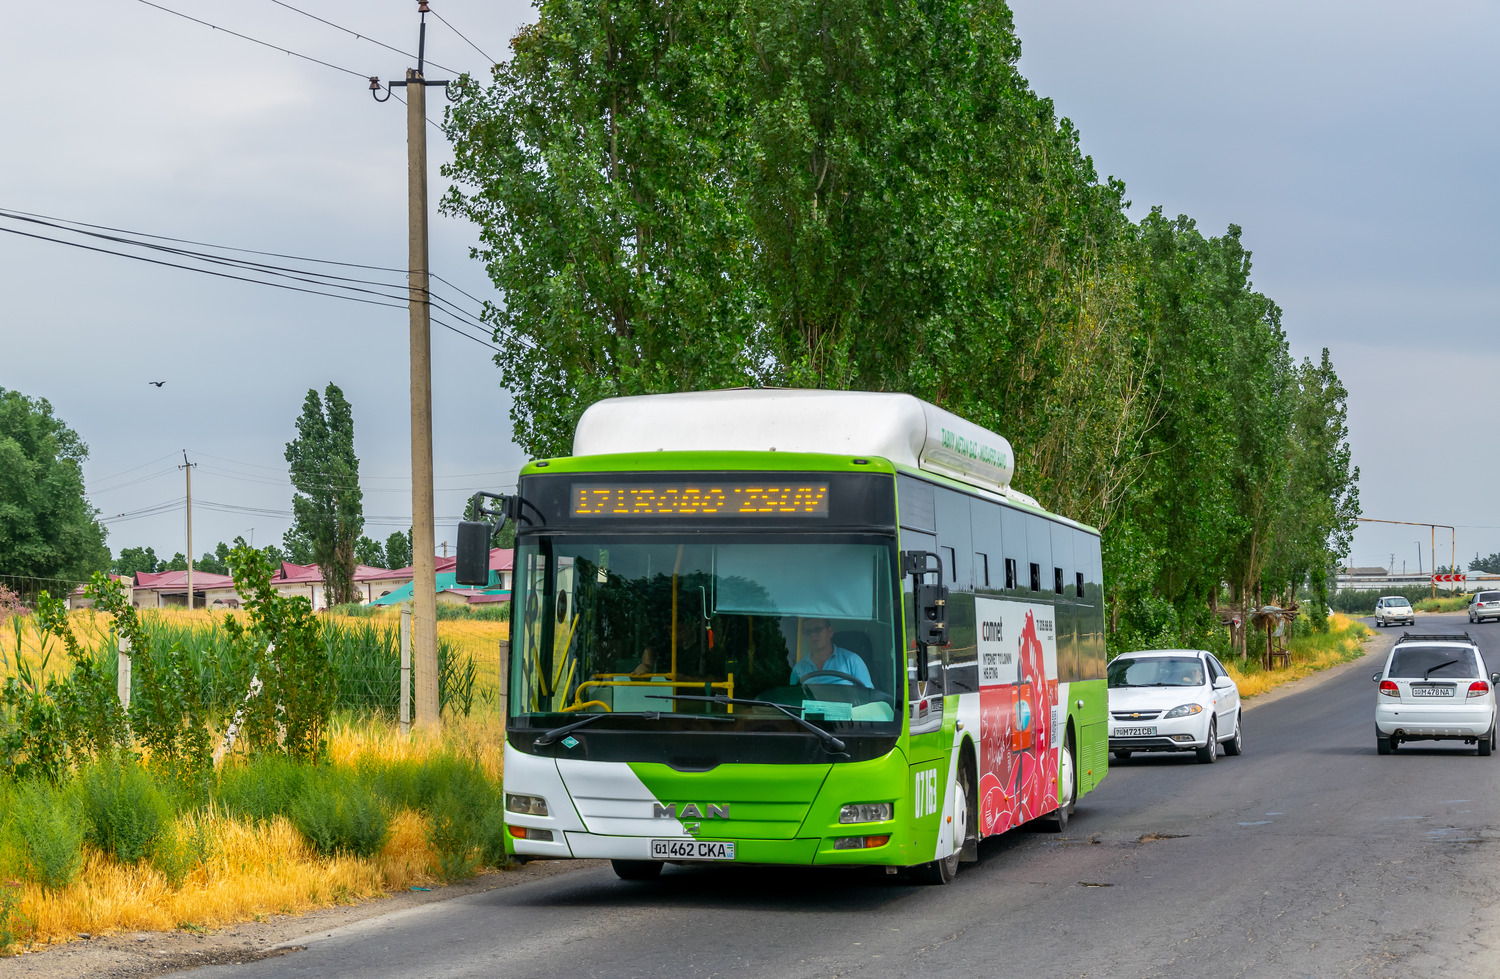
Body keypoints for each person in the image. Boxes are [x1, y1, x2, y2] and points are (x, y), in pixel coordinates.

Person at [790, 618, 872, 687]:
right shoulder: (798, 669)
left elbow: (869, 698)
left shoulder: (852, 661)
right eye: (808, 631)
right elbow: (792, 700)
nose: (813, 635)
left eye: (818, 629)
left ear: (830, 632)